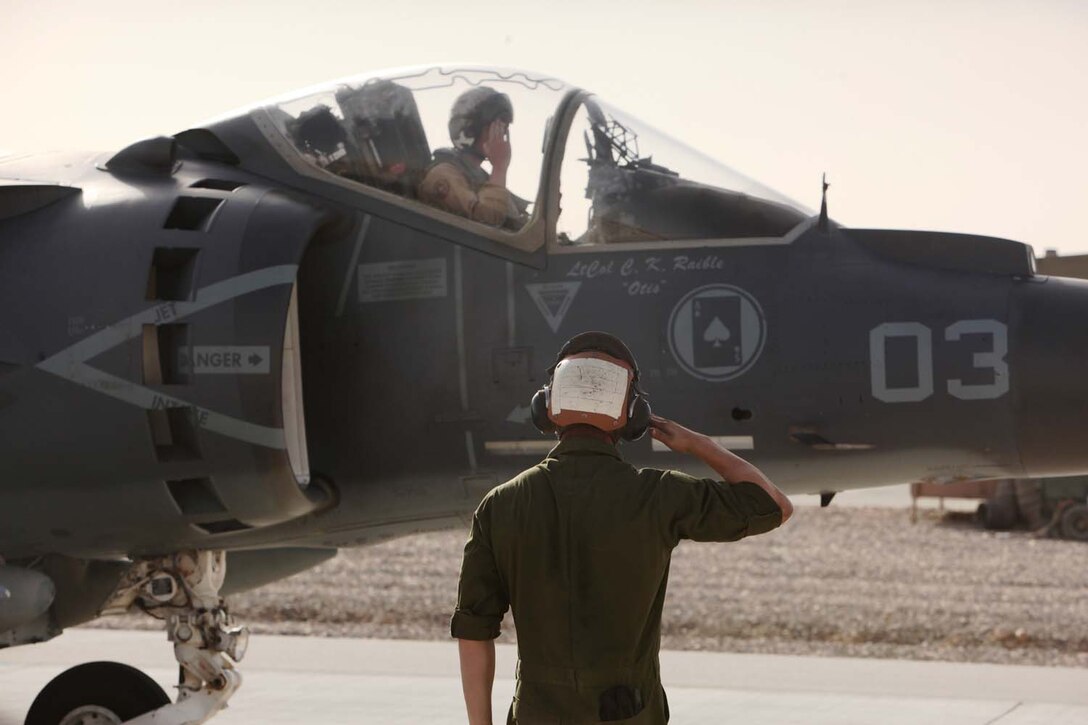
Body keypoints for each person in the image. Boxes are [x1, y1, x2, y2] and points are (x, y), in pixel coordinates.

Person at [452, 331, 793, 724]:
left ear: (546, 407)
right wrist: (698, 444)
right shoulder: (658, 496)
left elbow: (475, 630)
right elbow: (773, 506)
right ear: (633, 416)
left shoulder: (500, 505)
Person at [419, 87, 528, 229]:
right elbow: (487, 221)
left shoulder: (480, 178)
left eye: (504, 128)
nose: (501, 135)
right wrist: (500, 168)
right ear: (470, 131)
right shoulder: (443, 174)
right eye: (495, 127)